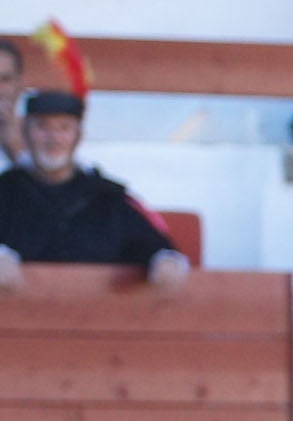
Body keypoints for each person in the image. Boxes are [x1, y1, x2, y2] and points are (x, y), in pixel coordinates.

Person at [0, 90, 191, 291]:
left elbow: (153, 246)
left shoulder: (106, 197)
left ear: (79, 136)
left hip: (102, 316)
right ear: (25, 132)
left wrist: (164, 261)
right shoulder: (5, 190)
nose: (53, 138)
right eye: (42, 127)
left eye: (64, 128)